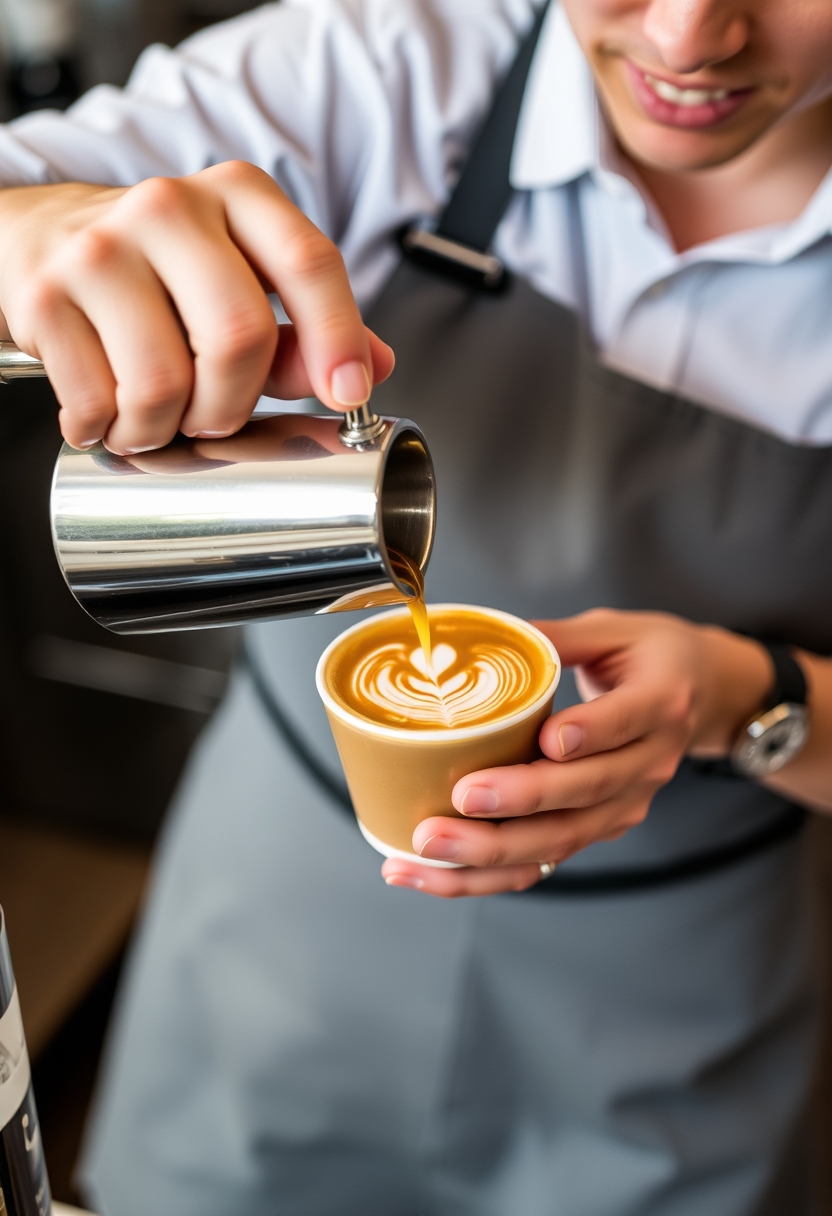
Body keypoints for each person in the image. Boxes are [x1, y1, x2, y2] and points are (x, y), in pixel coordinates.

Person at [0, 0, 830, 1211]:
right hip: (274, 934)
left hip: (677, 1020)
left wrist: (750, 699)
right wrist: (35, 226)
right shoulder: (394, 66)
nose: (690, 36)